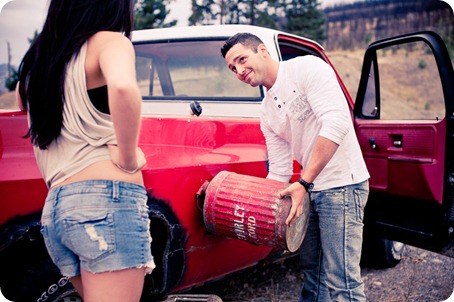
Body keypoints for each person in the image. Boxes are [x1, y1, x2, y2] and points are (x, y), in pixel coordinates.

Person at [16, 0, 155, 301]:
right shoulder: (110, 41)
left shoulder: (35, 67)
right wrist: (128, 159)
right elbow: (122, 87)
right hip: (106, 203)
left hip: (56, 211)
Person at [221, 33, 370, 301]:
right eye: (233, 68)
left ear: (263, 51)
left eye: (242, 59)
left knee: (342, 280)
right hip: (309, 190)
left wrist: (303, 183)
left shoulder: (307, 68)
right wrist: (258, 208)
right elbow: (279, 170)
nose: (239, 70)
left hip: (342, 185)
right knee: (313, 272)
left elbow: (337, 123)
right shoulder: (266, 111)